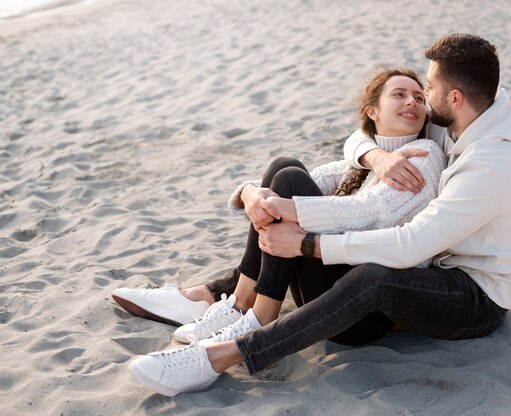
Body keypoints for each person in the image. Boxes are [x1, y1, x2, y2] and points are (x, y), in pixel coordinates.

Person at [127, 33, 511, 397]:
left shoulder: (490, 165)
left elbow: (411, 244)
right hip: (435, 266)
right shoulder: (463, 117)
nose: (421, 99)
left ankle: (222, 354)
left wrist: (308, 243)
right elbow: (364, 132)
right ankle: (224, 299)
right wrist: (373, 156)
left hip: (476, 297)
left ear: (455, 98)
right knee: (288, 172)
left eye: (427, 88)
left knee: (373, 276)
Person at [113, 67, 446, 347]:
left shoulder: (425, 154)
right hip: (328, 293)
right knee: (286, 168)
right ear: (372, 111)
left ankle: (249, 310)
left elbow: (367, 212)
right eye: (399, 94)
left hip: (361, 310)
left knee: (287, 182)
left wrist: (281, 205)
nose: (412, 102)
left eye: (419, 97)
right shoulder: (363, 162)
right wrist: (250, 194)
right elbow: (301, 179)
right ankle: (239, 305)